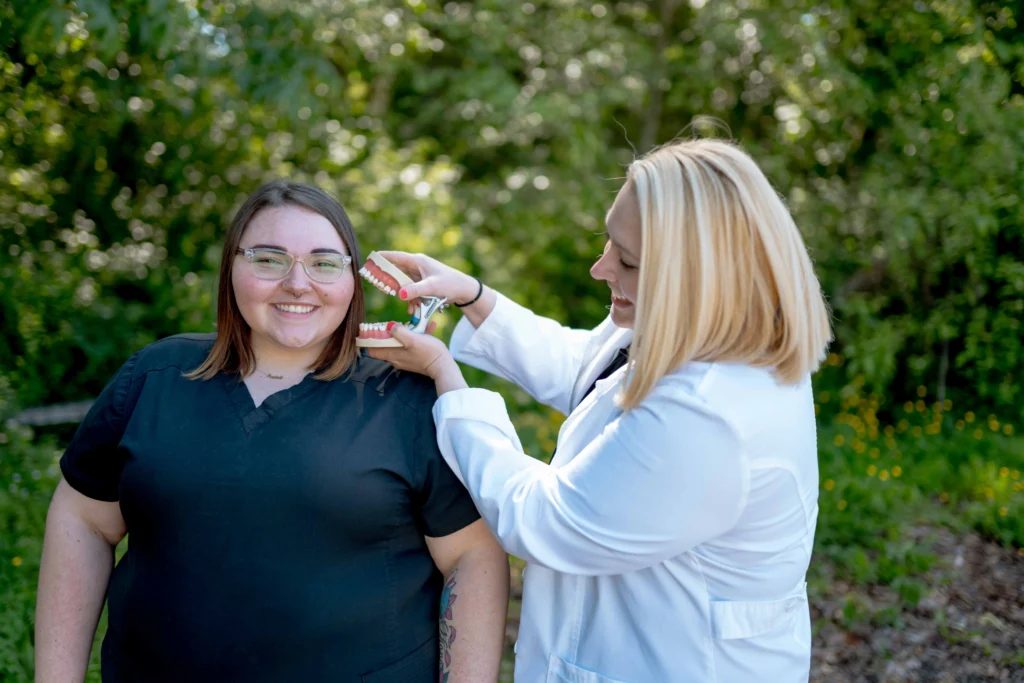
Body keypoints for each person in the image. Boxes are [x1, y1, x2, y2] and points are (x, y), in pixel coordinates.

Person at [370, 138, 833, 682]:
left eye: (627, 259)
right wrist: (472, 296)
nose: (599, 268)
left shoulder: (711, 417)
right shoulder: (682, 331)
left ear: (696, 275)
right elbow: (586, 373)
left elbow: (543, 519)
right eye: (609, 242)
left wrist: (449, 381)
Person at [34, 181, 509, 683]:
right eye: (269, 258)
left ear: (351, 279)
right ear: (231, 269)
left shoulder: (408, 399)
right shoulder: (154, 377)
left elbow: (472, 556)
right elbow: (83, 518)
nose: (297, 283)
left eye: (324, 263)